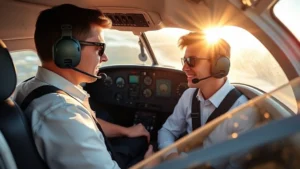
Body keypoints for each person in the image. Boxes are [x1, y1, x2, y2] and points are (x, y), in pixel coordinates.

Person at [13, 4, 154, 169]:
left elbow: (87, 122)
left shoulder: (29, 87)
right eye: (99, 48)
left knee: (137, 139)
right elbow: (74, 122)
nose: (105, 57)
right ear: (68, 52)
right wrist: (153, 164)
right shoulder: (63, 114)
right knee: (151, 146)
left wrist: (126, 131)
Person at [157, 32, 258, 163]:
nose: (184, 68)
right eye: (184, 61)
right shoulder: (189, 96)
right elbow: (167, 130)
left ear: (219, 66)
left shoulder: (243, 112)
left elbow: (237, 165)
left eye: (191, 61)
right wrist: (172, 156)